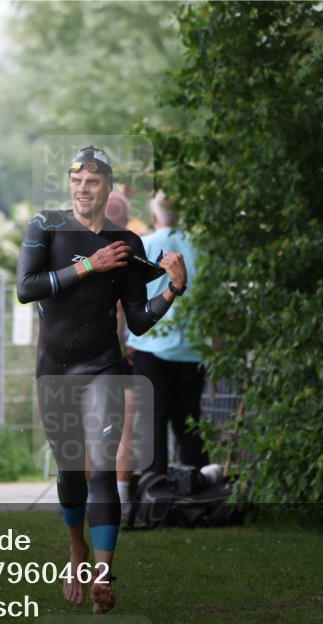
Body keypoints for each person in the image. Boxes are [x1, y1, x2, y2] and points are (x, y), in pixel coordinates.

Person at [16, 145, 187, 614]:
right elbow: (25, 289)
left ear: (107, 187)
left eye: (92, 181)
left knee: (101, 470)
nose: (83, 188)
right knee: (70, 476)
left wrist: (172, 289)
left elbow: (136, 320)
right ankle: (77, 551)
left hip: (103, 368)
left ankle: (103, 576)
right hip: (56, 370)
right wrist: (89, 265)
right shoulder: (45, 227)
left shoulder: (127, 243)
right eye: (76, 180)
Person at [123, 191, 207, 477]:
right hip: (192, 346)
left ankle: (153, 486)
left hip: (149, 345)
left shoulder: (144, 245)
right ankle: (196, 486)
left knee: (151, 423)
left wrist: (124, 338)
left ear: (155, 215)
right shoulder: (201, 247)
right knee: (190, 423)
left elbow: (129, 298)